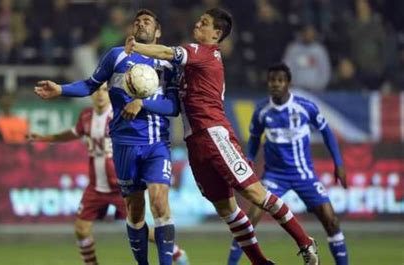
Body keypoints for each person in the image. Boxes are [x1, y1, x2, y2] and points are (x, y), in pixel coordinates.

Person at [125, 7, 319, 265]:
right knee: (227, 210)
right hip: (194, 142)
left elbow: (165, 52)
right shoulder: (191, 62)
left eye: (204, 23)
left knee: (255, 194)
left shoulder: (203, 53)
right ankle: (260, 262)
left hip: (214, 135)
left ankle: (305, 242)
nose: (197, 24)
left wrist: (135, 47)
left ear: (216, 34)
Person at [34, 9, 186, 265]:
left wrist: (142, 103)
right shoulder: (116, 56)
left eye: (147, 21)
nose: (141, 24)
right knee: (136, 213)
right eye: (137, 21)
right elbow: (90, 85)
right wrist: (60, 89)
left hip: (156, 144)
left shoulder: (168, 63)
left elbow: (173, 107)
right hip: (124, 144)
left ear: (158, 32)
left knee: (160, 203)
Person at [28, 84, 189, 265]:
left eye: (104, 90)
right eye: (97, 90)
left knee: (139, 225)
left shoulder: (120, 114)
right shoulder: (86, 117)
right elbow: (73, 133)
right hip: (96, 187)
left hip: (119, 185)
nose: (100, 95)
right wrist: (46, 138)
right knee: (81, 229)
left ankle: (175, 252)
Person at [227, 63, 349, 265]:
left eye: (280, 80)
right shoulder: (261, 112)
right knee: (249, 221)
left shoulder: (305, 107)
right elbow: (254, 139)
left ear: (288, 83)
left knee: (331, 220)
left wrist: (338, 163)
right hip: (274, 177)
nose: (275, 84)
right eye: (272, 80)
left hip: (304, 175)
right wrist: (248, 160)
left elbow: (327, 132)